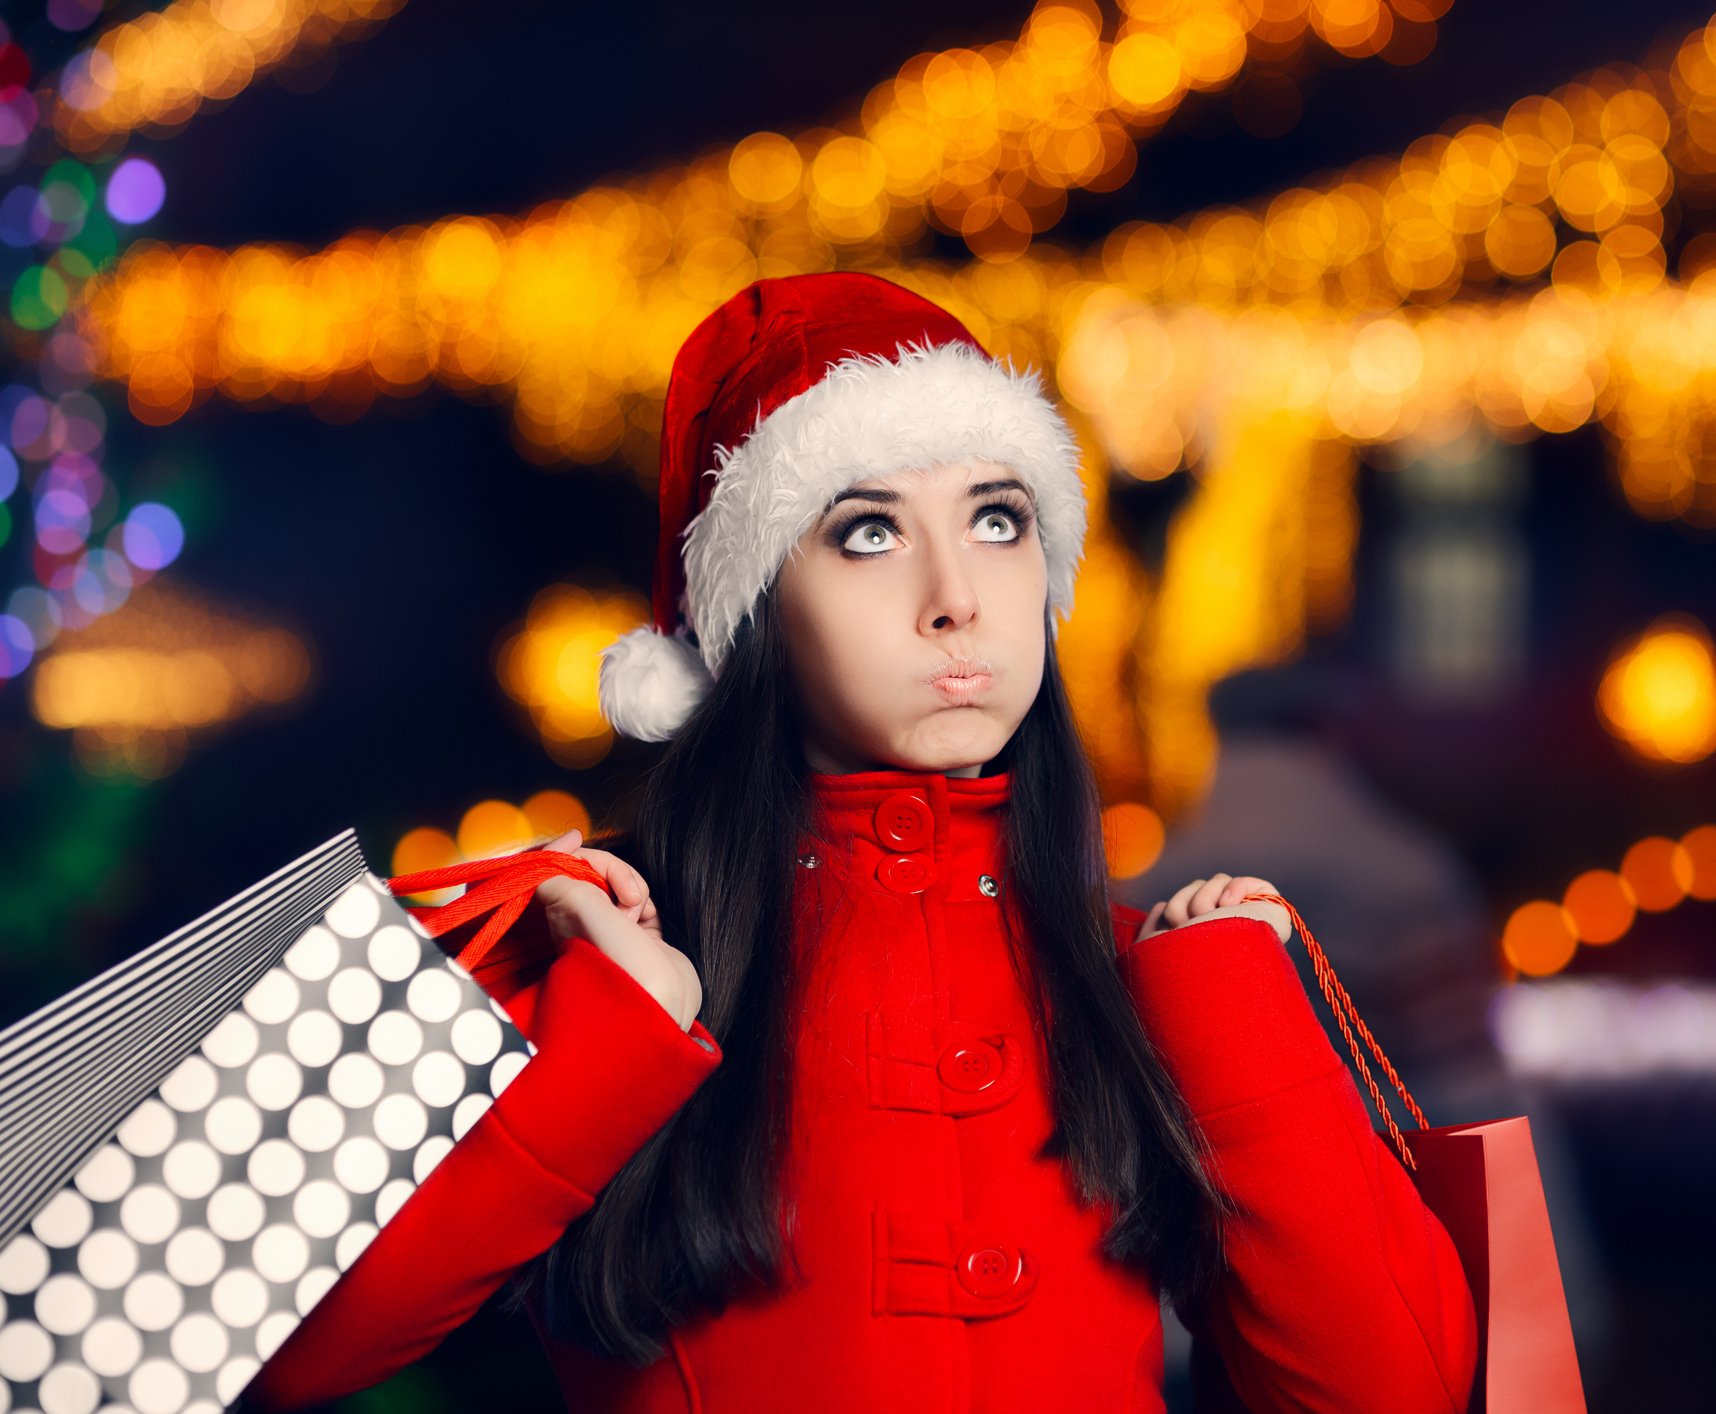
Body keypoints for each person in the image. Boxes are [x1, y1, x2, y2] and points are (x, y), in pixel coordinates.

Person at [244, 272, 1478, 1412]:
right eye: (869, 532)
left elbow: (1395, 1394)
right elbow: (274, 1349)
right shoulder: (604, 948)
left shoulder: (1128, 974)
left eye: (998, 520)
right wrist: (607, 1044)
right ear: (749, 612)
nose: (957, 595)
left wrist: (1228, 1009)